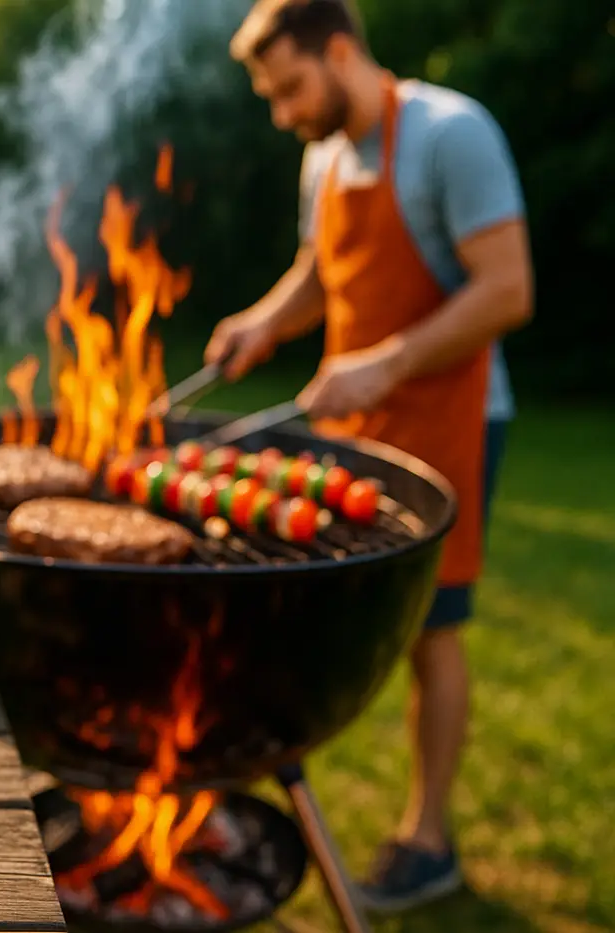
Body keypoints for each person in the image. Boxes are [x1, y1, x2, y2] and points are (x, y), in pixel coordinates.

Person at [214, 0, 533, 911]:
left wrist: (387, 361)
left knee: (433, 631)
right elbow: (324, 275)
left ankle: (429, 838)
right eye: (271, 97)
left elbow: (509, 288)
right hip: (356, 426)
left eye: (290, 90)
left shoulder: (450, 133)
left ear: (341, 51)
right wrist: (265, 324)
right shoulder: (325, 155)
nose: (282, 113)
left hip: (450, 420)